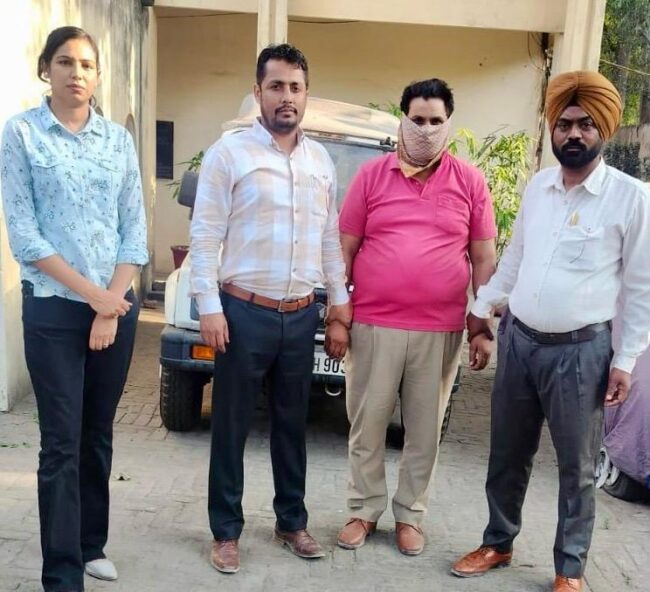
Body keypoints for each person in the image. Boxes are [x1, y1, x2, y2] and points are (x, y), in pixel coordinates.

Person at [451, 71, 650, 592]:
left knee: (576, 466)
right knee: (507, 453)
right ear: (552, 129)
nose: (573, 133)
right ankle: (498, 542)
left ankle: (570, 569)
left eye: (585, 124)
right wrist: (482, 307)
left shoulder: (631, 198)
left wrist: (625, 360)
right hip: (519, 343)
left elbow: (640, 290)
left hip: (582, 353)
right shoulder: (539, 187)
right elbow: (515, 260)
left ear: (603, 129)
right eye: (564, 124)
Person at [190, 43, 351, 575]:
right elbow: (205, 235)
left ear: (306, 95)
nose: (287, 97)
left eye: (296, 87)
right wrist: (209, 306)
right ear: (257, 91)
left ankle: (291, 522)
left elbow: (329, 239)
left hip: (301, 314)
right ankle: (225, 531)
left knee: (291, 423)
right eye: (277, 86)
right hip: (242, 313)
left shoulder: (319, 160)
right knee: (231, 425)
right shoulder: (229, 153)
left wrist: (338, 303)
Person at [0, 26, 148, 592]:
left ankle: (91, 545)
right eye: (65, 62)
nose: (77, 73)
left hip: (114, 309)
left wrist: (111, 306)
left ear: (97, 75)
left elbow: (134, 230)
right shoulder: (22, 134)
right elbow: (25, 236)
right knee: (60, 442)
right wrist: (95, 296)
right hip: (54, 310)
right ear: (46, 69)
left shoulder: (117, 141)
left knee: (97, 433)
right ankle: (62, 575)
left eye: (87, 64)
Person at [333, 78, 497, 556]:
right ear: (403, 119)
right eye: (418, 119)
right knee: (367, 425)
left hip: (439, 330)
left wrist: (481, 325)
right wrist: (338, 315)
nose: (426, 129)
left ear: (449, 124)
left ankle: (410, 516)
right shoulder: (371, 176)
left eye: (435, 121)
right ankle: (363, 510)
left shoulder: (469, 182)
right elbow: (344, 248)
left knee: (424, 432)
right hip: (373, 324)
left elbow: (483, 258)